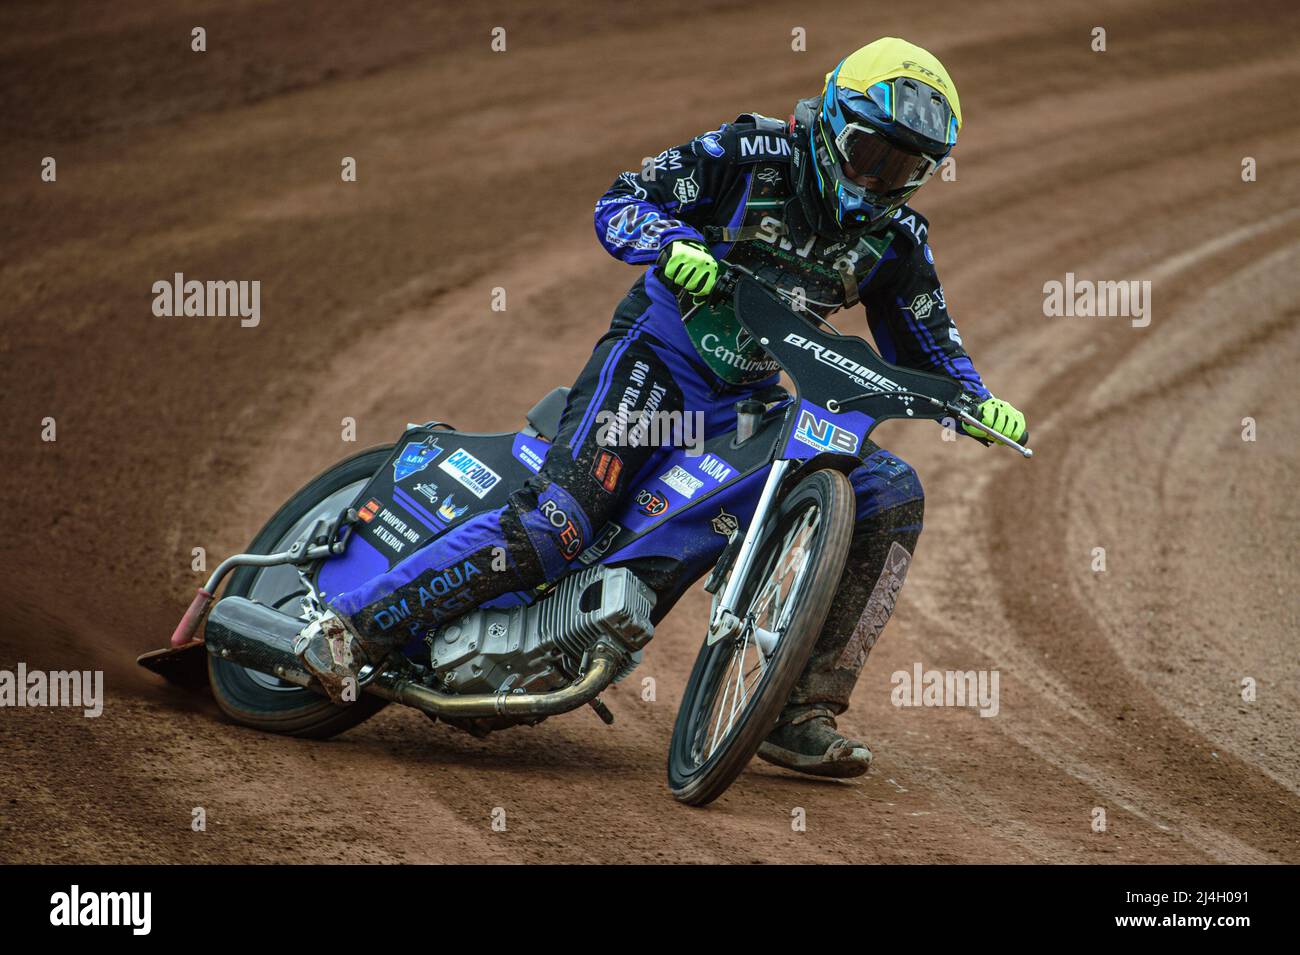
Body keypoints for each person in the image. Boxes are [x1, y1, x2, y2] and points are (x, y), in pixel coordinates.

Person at [297, 37, 1027, 778]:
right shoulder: (748, 151)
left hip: (750, 402)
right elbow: (623, 199)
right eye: (871, 152)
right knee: (559, 526)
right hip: (657, 363)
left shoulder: (897, 241)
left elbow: (929, 340)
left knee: (890, 491)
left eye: (905, 168)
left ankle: (799, 708)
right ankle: (351, 631)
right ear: (833, 120)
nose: (879, 180)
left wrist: (977, 399)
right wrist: (672, 241)